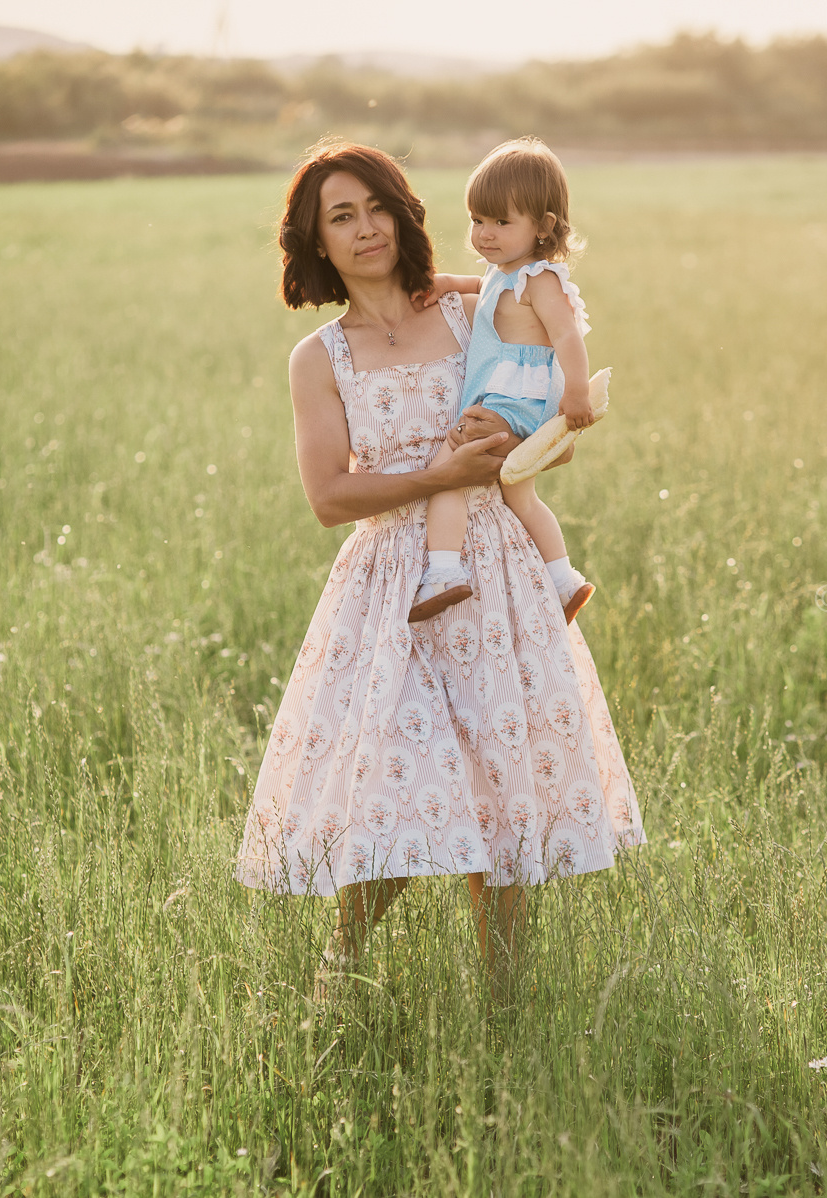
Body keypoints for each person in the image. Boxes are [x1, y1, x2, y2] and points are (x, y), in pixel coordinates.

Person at [234, 140, 644, 1003]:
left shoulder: (468, 311)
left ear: (403, 211)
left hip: (494, 570)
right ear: (316, 242)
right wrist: (438, 478)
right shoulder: (321, 357)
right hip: (395, 587)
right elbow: (329, 496)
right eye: (339, 217)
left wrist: (535, 447)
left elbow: (541, 385)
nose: (364, 228)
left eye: (375, 206)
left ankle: (505, 998)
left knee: (498, 783)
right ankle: (339, 975)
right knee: (395, 778)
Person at [409, 138, 596, 625]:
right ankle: (564, 581)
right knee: (521, 496)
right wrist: (451, 282)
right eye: (477, 220)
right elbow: (488, 288)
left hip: (518, 399)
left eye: (501, 222)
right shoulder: (507, 272)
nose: (484, 234)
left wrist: (575, 394)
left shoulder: (543, 281)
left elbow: (568, 337)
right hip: (514, 398)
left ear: (544, 227)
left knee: (446, 467)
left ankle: (443, 572)